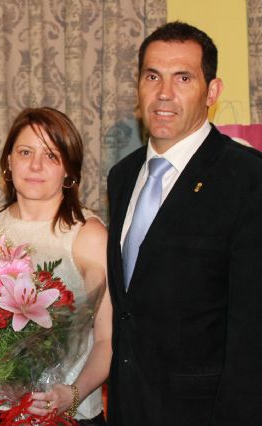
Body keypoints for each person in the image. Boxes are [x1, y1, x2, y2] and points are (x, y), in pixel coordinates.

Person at [106, 22, 262, 425]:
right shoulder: (122, 177)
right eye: (152, 76)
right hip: (128, 408)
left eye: (183, 78)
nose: (164, 93)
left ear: (212, 92)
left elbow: (252, 330)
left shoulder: (247, 178)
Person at [0, 107, 111, 425]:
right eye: (25, 152)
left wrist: (72, 394)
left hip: (67, 414)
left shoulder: (89, 234)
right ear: (9, 161)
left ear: (68, 169)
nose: (35, 165)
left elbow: (108, 339)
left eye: (51, 155)